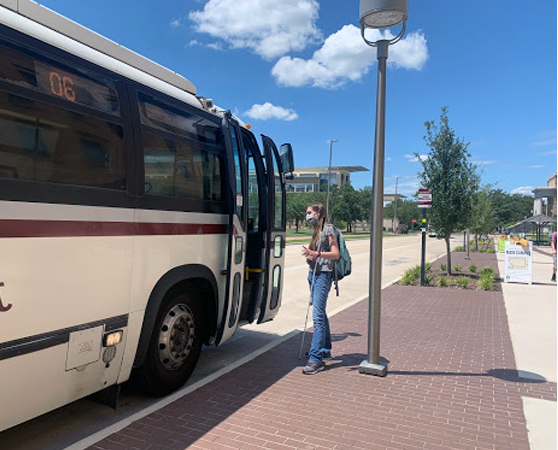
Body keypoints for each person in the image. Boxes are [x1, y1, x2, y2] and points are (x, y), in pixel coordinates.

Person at [301, 202, 340, 375]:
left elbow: (335, 254)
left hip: (323, 276)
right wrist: (310, 256)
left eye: (309, 212)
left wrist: (317, 254)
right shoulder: (318, 230)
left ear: (318, 212)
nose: (307, 215)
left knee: (317, 317)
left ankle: (316, 359)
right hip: (314, 274)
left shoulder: (328, 229)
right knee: (321, 313)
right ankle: (324, 350)